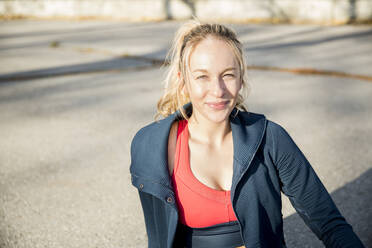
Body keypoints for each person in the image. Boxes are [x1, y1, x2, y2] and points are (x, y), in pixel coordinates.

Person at [129, 20, 364, 248]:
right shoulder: (151, 147)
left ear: (241, 78)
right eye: (202, 76)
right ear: (183, 81)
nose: (218, 90)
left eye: (228, 75)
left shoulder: (271, 139)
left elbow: (329, 223)